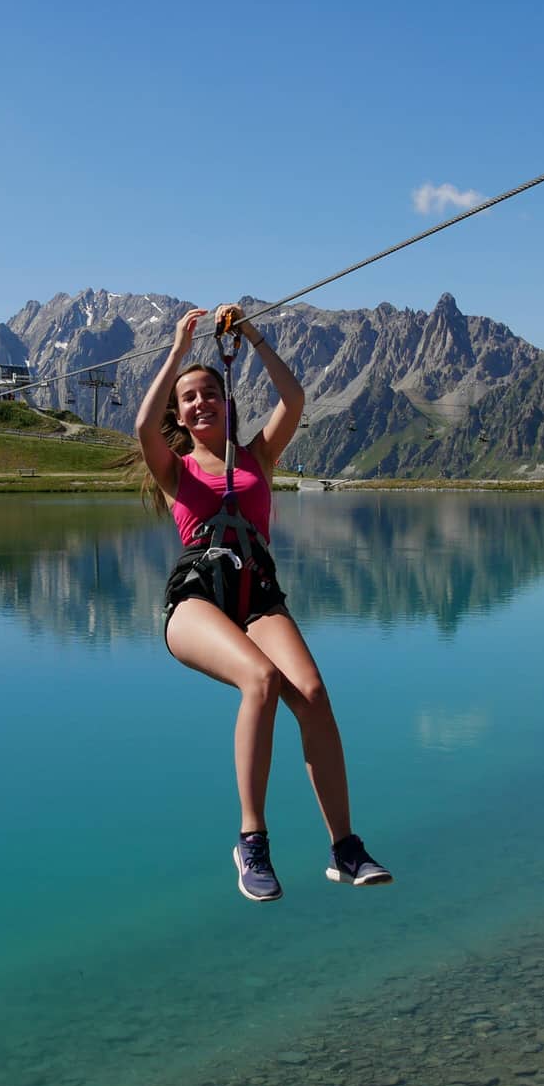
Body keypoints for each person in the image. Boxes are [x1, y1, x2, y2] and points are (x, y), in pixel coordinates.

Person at [134, 303, 391, 903]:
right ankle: (252, 842)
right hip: (197, 599)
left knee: (313, 693)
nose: (200, 403)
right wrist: (177, 352)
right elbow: (144, 428)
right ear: (180, 412)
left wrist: (251, 336)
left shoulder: (257, 457)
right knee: (260, 679)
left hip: (259, 598)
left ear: (226, 402)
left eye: (209, 394)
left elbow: (295, 400)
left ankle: (344, 848)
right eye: (188, 398)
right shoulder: (174, 469)